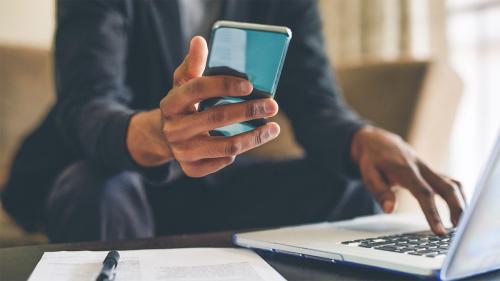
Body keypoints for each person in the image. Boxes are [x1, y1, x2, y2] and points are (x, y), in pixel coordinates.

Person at [1, 0, 465, 242]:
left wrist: (364, 139)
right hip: (109, 172)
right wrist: (162, 135)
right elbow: (88, 104)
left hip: (210, 187)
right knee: (100, 189)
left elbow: (318, 105)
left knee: (350, 185)